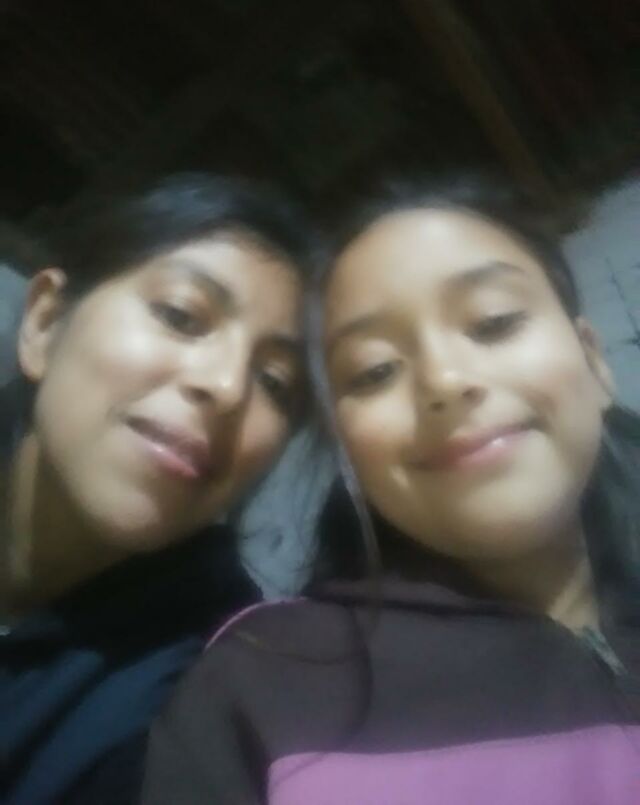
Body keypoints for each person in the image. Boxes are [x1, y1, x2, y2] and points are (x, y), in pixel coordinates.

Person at [142, 174, 640, 805]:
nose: (444, 380)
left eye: (493, 323)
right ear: (346, 447)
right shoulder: (263, 686)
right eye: (374, 371)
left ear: (593, 361)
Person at [1, 173, 316, 804]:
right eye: (180, 315)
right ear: (46, 322)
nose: (228, 387)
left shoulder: (208, 688)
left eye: (275, 382)